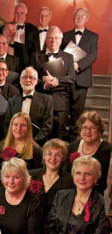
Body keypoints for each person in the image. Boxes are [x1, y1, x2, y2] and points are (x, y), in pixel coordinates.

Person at [30, 26, 75, 139]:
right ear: (46, 39)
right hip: (40, 102)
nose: (53, 41)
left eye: (56, 38)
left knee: (58, 137)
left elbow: (71, 78)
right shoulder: (35, 56)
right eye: (50, 37)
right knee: (39, 136)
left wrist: (56, 80)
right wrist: (44, 83)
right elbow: (29, 77)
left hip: (59, 103)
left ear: (61, 40)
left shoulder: (68, 57)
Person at [61, 8, 99, 141]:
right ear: (73, 18)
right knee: (64, 110)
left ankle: (74, 139)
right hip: (66, 78)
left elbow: (93, 55)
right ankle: (63, 138)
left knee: (77, 112)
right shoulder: (65, 36)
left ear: (87, 19)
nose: (79, 18)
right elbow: (61, 55)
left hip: (82, 78)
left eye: (82, 16)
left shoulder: (93, 36)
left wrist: (79, 65)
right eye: (77, 16)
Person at [65, 110, 112, 195]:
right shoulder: (73, 146)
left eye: (93, 128)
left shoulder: (108, 150)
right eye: (85, 127)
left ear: (99, 131)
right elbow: (66, 173)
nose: (88, 131)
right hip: (72, 193)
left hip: (96, 195)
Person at [4, 66, 53, 145]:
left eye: (31, 77)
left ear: (36, 81)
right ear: (20, 80)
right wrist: (16, 140)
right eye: (24, 77)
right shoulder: (12, 101)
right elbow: (7, 124)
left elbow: (47, 126)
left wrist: (32, 142)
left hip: (37, 144)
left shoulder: (47, 100)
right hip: (15, 143)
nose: (27, 80)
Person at [30, 139, 74, 218]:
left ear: (63, 158)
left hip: (56, 224)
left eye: (58, 155)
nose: (53, 158)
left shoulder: (69, 180)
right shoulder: (31, 176)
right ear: (43, 156)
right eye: (49, 154)